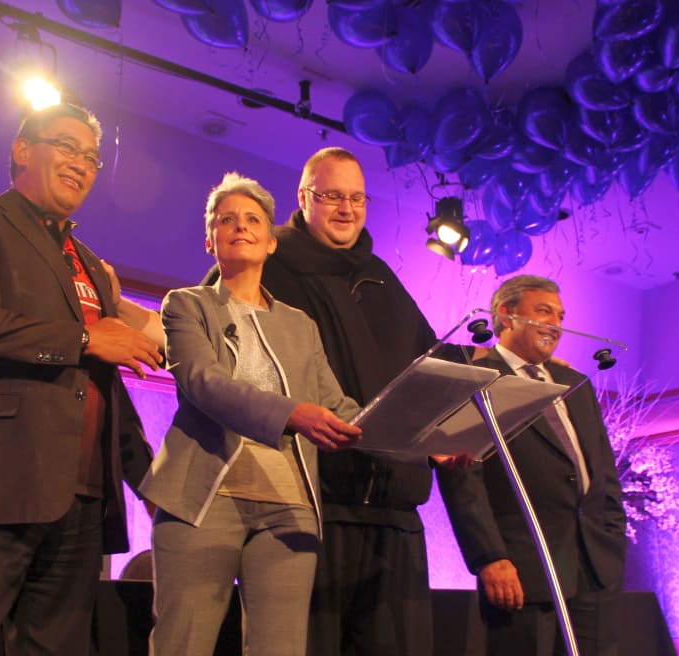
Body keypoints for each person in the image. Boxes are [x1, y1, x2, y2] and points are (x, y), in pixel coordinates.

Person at [0, 102, 164, 655]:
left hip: (80, 501)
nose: (82, 164)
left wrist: (153, 488)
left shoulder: (92, 265)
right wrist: (88, 338)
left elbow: (102, 385)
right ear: (22, 150)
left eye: (92, 158)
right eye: (66, 146)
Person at [206, 147, 439, 655]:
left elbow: (428, 376)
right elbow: (211, 362)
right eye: (332, 195)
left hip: (393, 515)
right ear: (303, 197)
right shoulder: (267, 263)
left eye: (357, 198)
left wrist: (443, 437)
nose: (346, 208)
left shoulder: (385, 282)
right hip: (304, 507)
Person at [139, 172, 362, 655]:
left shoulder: (300, 324)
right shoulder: (186, 305)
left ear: (271, 242)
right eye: (227, 220)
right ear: (209, 240)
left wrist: (425, 445)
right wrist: (292, 415)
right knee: (183, 643)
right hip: (203, 498)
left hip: (290, 504)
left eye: (253, 219)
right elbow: (204, 383)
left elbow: (339, 407)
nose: (240, 227)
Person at [437, 275, 627, 656]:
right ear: (506, 315)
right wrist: (489, 557)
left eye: (560, 315)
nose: (556, 324)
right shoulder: (478, 378)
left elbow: (602, 470)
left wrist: (611, 532)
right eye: (544, 312)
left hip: (592, 566)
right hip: (521, 569)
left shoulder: (575, 383)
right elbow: (463, 478)